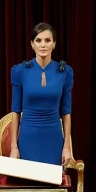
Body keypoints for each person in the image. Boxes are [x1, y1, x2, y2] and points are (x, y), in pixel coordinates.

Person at [9, 23, 74, 165]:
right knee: (29, 184)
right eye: (38, 40)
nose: (43, 45)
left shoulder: (65, 72)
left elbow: (66, 112)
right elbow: (15, 110)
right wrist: (14, 146)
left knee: (53, 184)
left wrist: (67, 147)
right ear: (32, 44)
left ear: (54, 44)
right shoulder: (20, 71)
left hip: (53, 138)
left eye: (47, 40)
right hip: (28, 137)